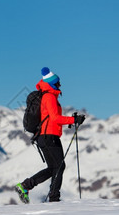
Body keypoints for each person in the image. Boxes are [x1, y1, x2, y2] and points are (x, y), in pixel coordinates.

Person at [15, 67, 85, 203]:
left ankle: (26, 186)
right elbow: (55, 118)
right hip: (49, 136)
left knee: (54, 167)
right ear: (53, 83)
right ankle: (54, 198)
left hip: (44, 136)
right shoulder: (49, 97)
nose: (60, 85)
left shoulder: (46, 95)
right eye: (58, 83)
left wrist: (72, 120)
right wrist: (73, 120)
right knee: (59, 166)